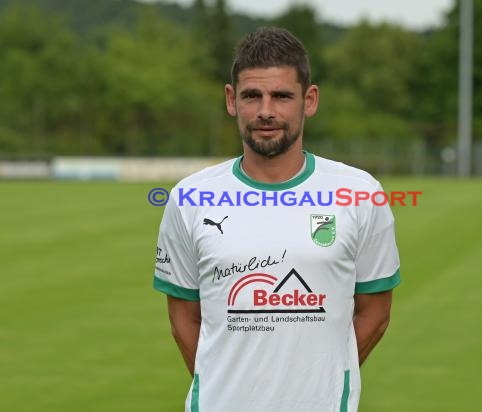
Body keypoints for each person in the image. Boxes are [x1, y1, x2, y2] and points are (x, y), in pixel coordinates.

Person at [153, 26, 401, 412]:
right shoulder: (189, 198)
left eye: (282, 96)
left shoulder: (360, 193)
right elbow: (184, 319)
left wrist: (322, 381)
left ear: (310, 100)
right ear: (231, 100)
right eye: (252, 96)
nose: (266, 111)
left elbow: (375, 313)